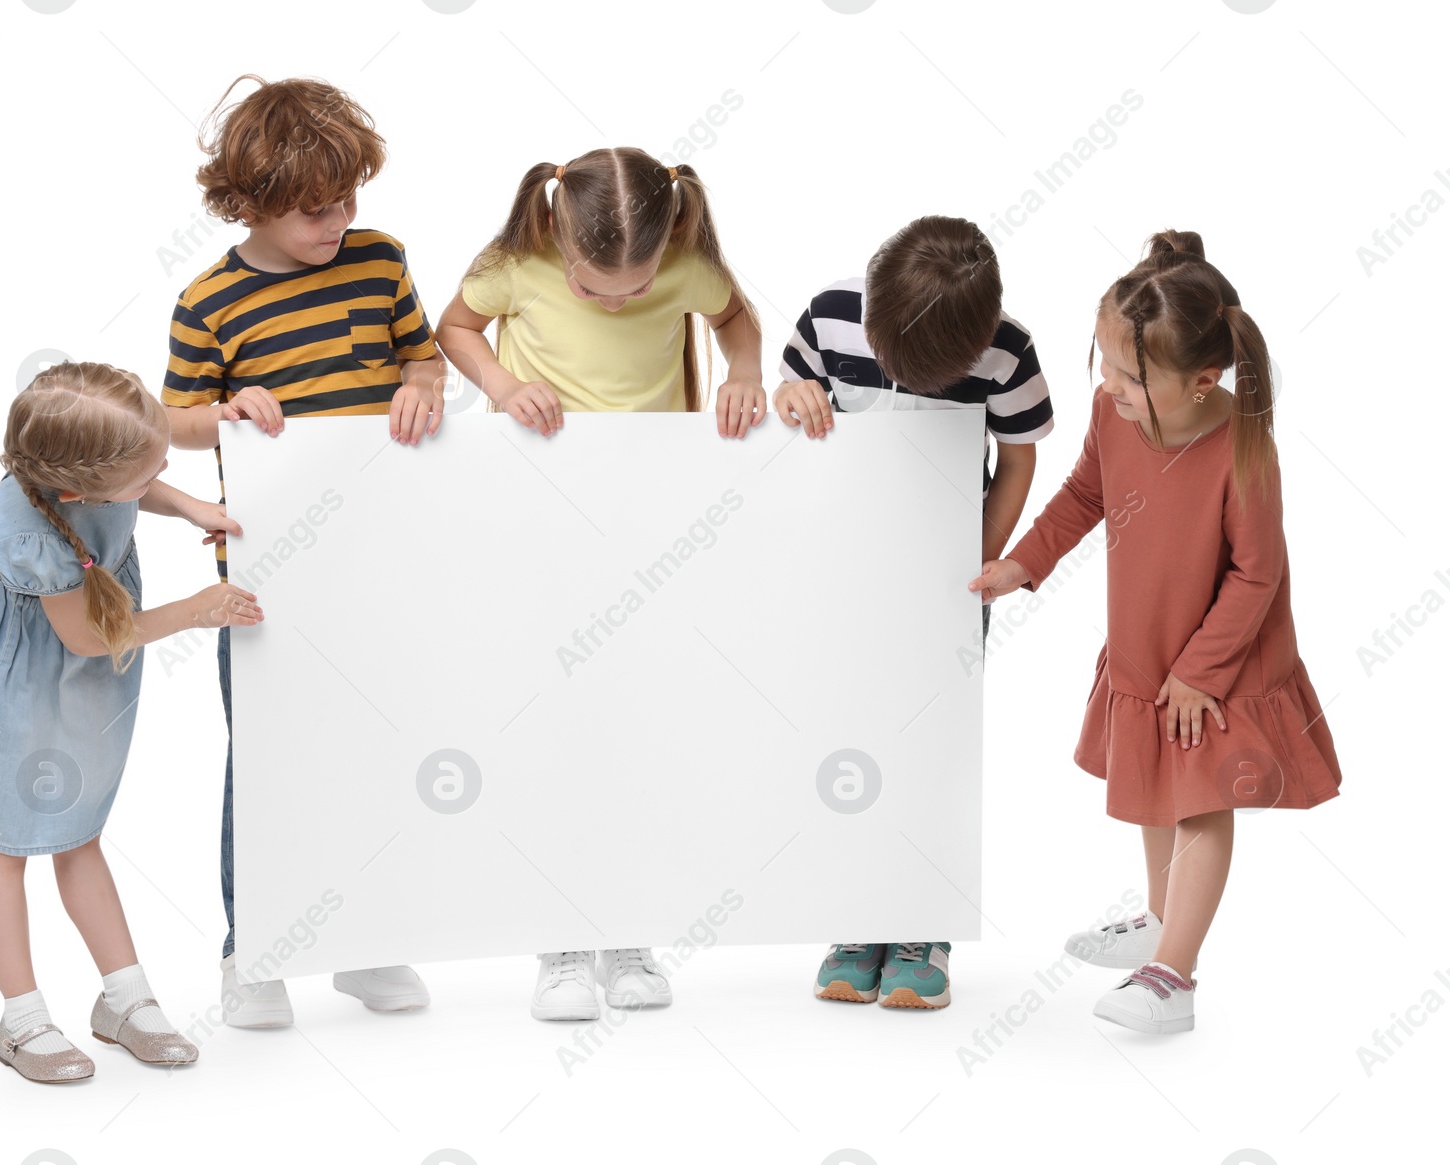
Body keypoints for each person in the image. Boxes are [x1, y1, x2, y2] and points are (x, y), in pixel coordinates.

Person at [970, 230, 1342, 1034]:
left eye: (1130, 377)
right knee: (1150, 783)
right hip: (1149, 637)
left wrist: (1202, 671)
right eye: (1103, 365)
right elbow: (1080, 495)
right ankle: (1158, 915)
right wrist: (1021, 565)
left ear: (1204, 379)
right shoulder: (1113, 411)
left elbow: (1258, 575)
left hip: (1222, 658)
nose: (1109, 387)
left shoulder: (1240, 443)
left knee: (1201, 801)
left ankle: (1174, 974)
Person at [437, 146, 766, 1019]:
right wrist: (504, 386)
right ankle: (560, 944)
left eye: (637, 287)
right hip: (544, 524)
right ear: (556, 230)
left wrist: (742, 375)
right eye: (596, 289)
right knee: (557, 724)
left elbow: (738, 320)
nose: (620, 301)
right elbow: (454, 331)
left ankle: (629, 933)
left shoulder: (687, 264)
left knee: (641, 723)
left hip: (650, 530)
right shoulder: (517, 261)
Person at [164, 74, 449, 1027]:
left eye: (348, 200)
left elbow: (423, 351)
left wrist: (425, 383)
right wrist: (225, 411)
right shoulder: (208, 304)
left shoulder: (379, 261)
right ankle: (255, 951)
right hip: (266, 580)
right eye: (314, 210)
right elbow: (170, 423)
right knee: (271, 763)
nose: (339, 221)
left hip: (386, 561)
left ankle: (365, 941)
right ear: (246, 202)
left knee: (377, 752)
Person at [0, 361, 261, 1082]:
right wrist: (197, 609)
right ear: (79, 490)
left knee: (78, 826)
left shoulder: (98, 470)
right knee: (7, 840)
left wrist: (191, 508)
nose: (158, 475)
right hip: (24, 680)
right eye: (147, 473)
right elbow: (85, 636)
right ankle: (21, 1017)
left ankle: (123, 995)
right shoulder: (26, 528)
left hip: (84, 675)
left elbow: (139, 481)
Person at [775, 214, 1054, 1009]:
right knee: (846, 736)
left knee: (932, 739)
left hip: (942, 582)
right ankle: (859, 915)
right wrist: (791, 394)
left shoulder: (1010, 350)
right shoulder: (831, 315)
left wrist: (976, 559)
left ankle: (922, 921)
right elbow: (790, 395)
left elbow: (1021, 452)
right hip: (842, 572)